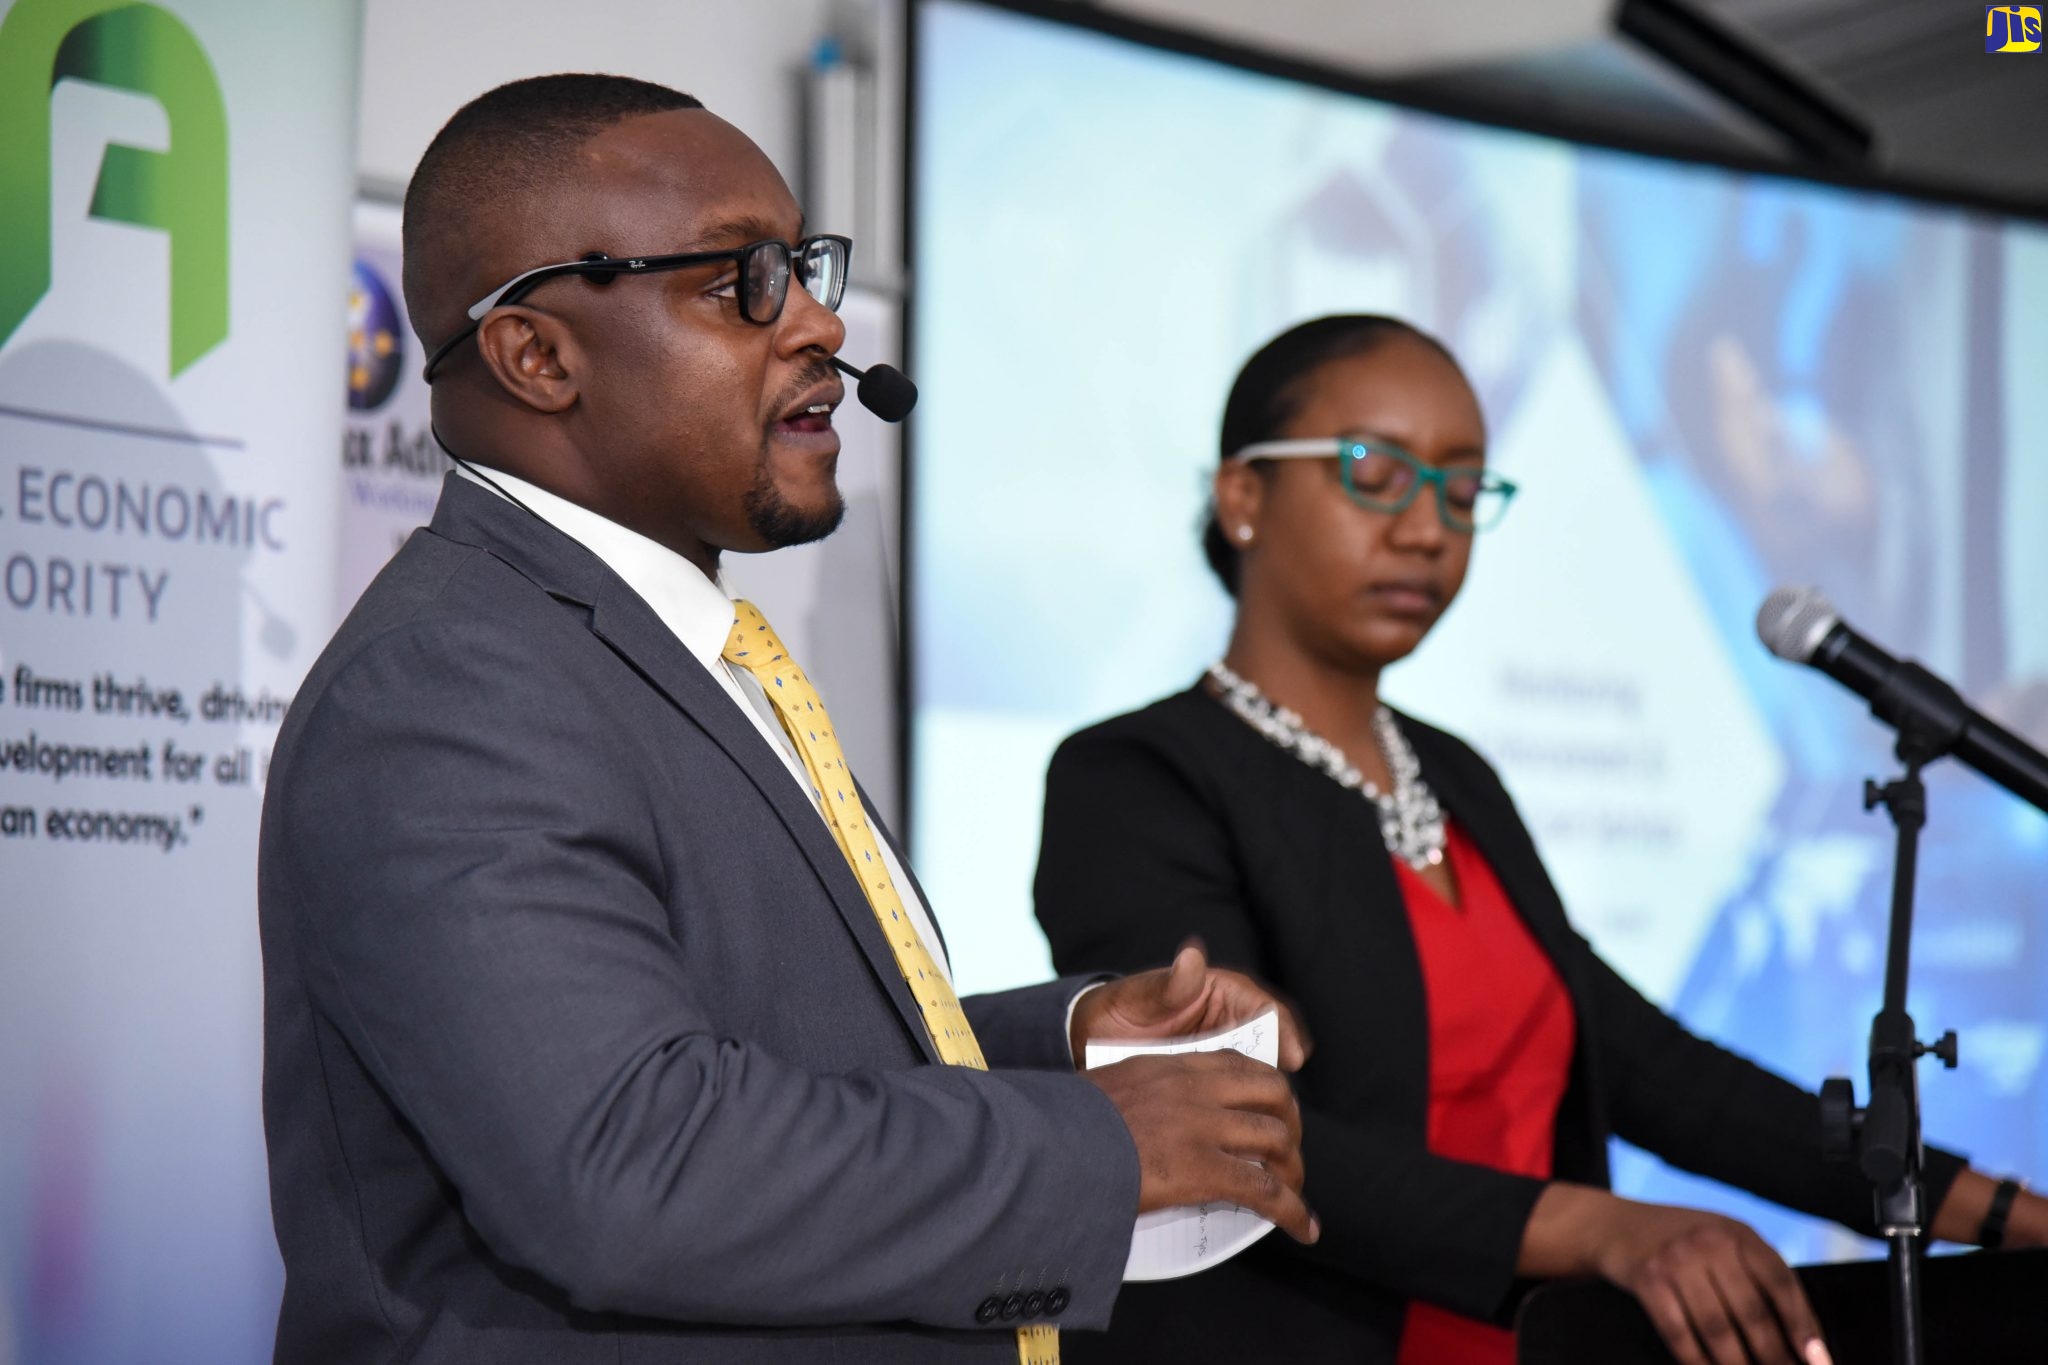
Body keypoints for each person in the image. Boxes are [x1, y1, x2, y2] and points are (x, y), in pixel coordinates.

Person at [258, 74, 1317, 1365]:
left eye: (804, 266)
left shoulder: (672, 647)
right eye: (737, 280)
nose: (819, 322)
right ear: (538, 356)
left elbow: (762, 1054)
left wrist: (1072, 1041)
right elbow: (629, 1162)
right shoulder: (446, 685)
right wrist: (1101, 1145)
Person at [1033, 315, 2048, 1365]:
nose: (1426, 528)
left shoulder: (1455, 775)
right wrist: (1603, 1230)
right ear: (1242, 496)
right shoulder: (1135, 777)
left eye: (1462, 490)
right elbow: (1226, 1127)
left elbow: (1650, 1069)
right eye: (1374, 473)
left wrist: (1999, 1213)